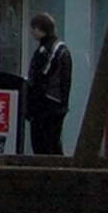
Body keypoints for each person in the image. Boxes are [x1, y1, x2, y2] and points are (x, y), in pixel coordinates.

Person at [27, 13, 72, 155]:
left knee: (43, 142)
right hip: (57, 103)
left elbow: (42, 76)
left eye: (34, 28)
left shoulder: (48, 50)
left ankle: (49, 172)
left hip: (47, 104)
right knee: (52, 141)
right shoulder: (61, 49)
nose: (32, 32)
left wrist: (31, 103)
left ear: (40, 29)